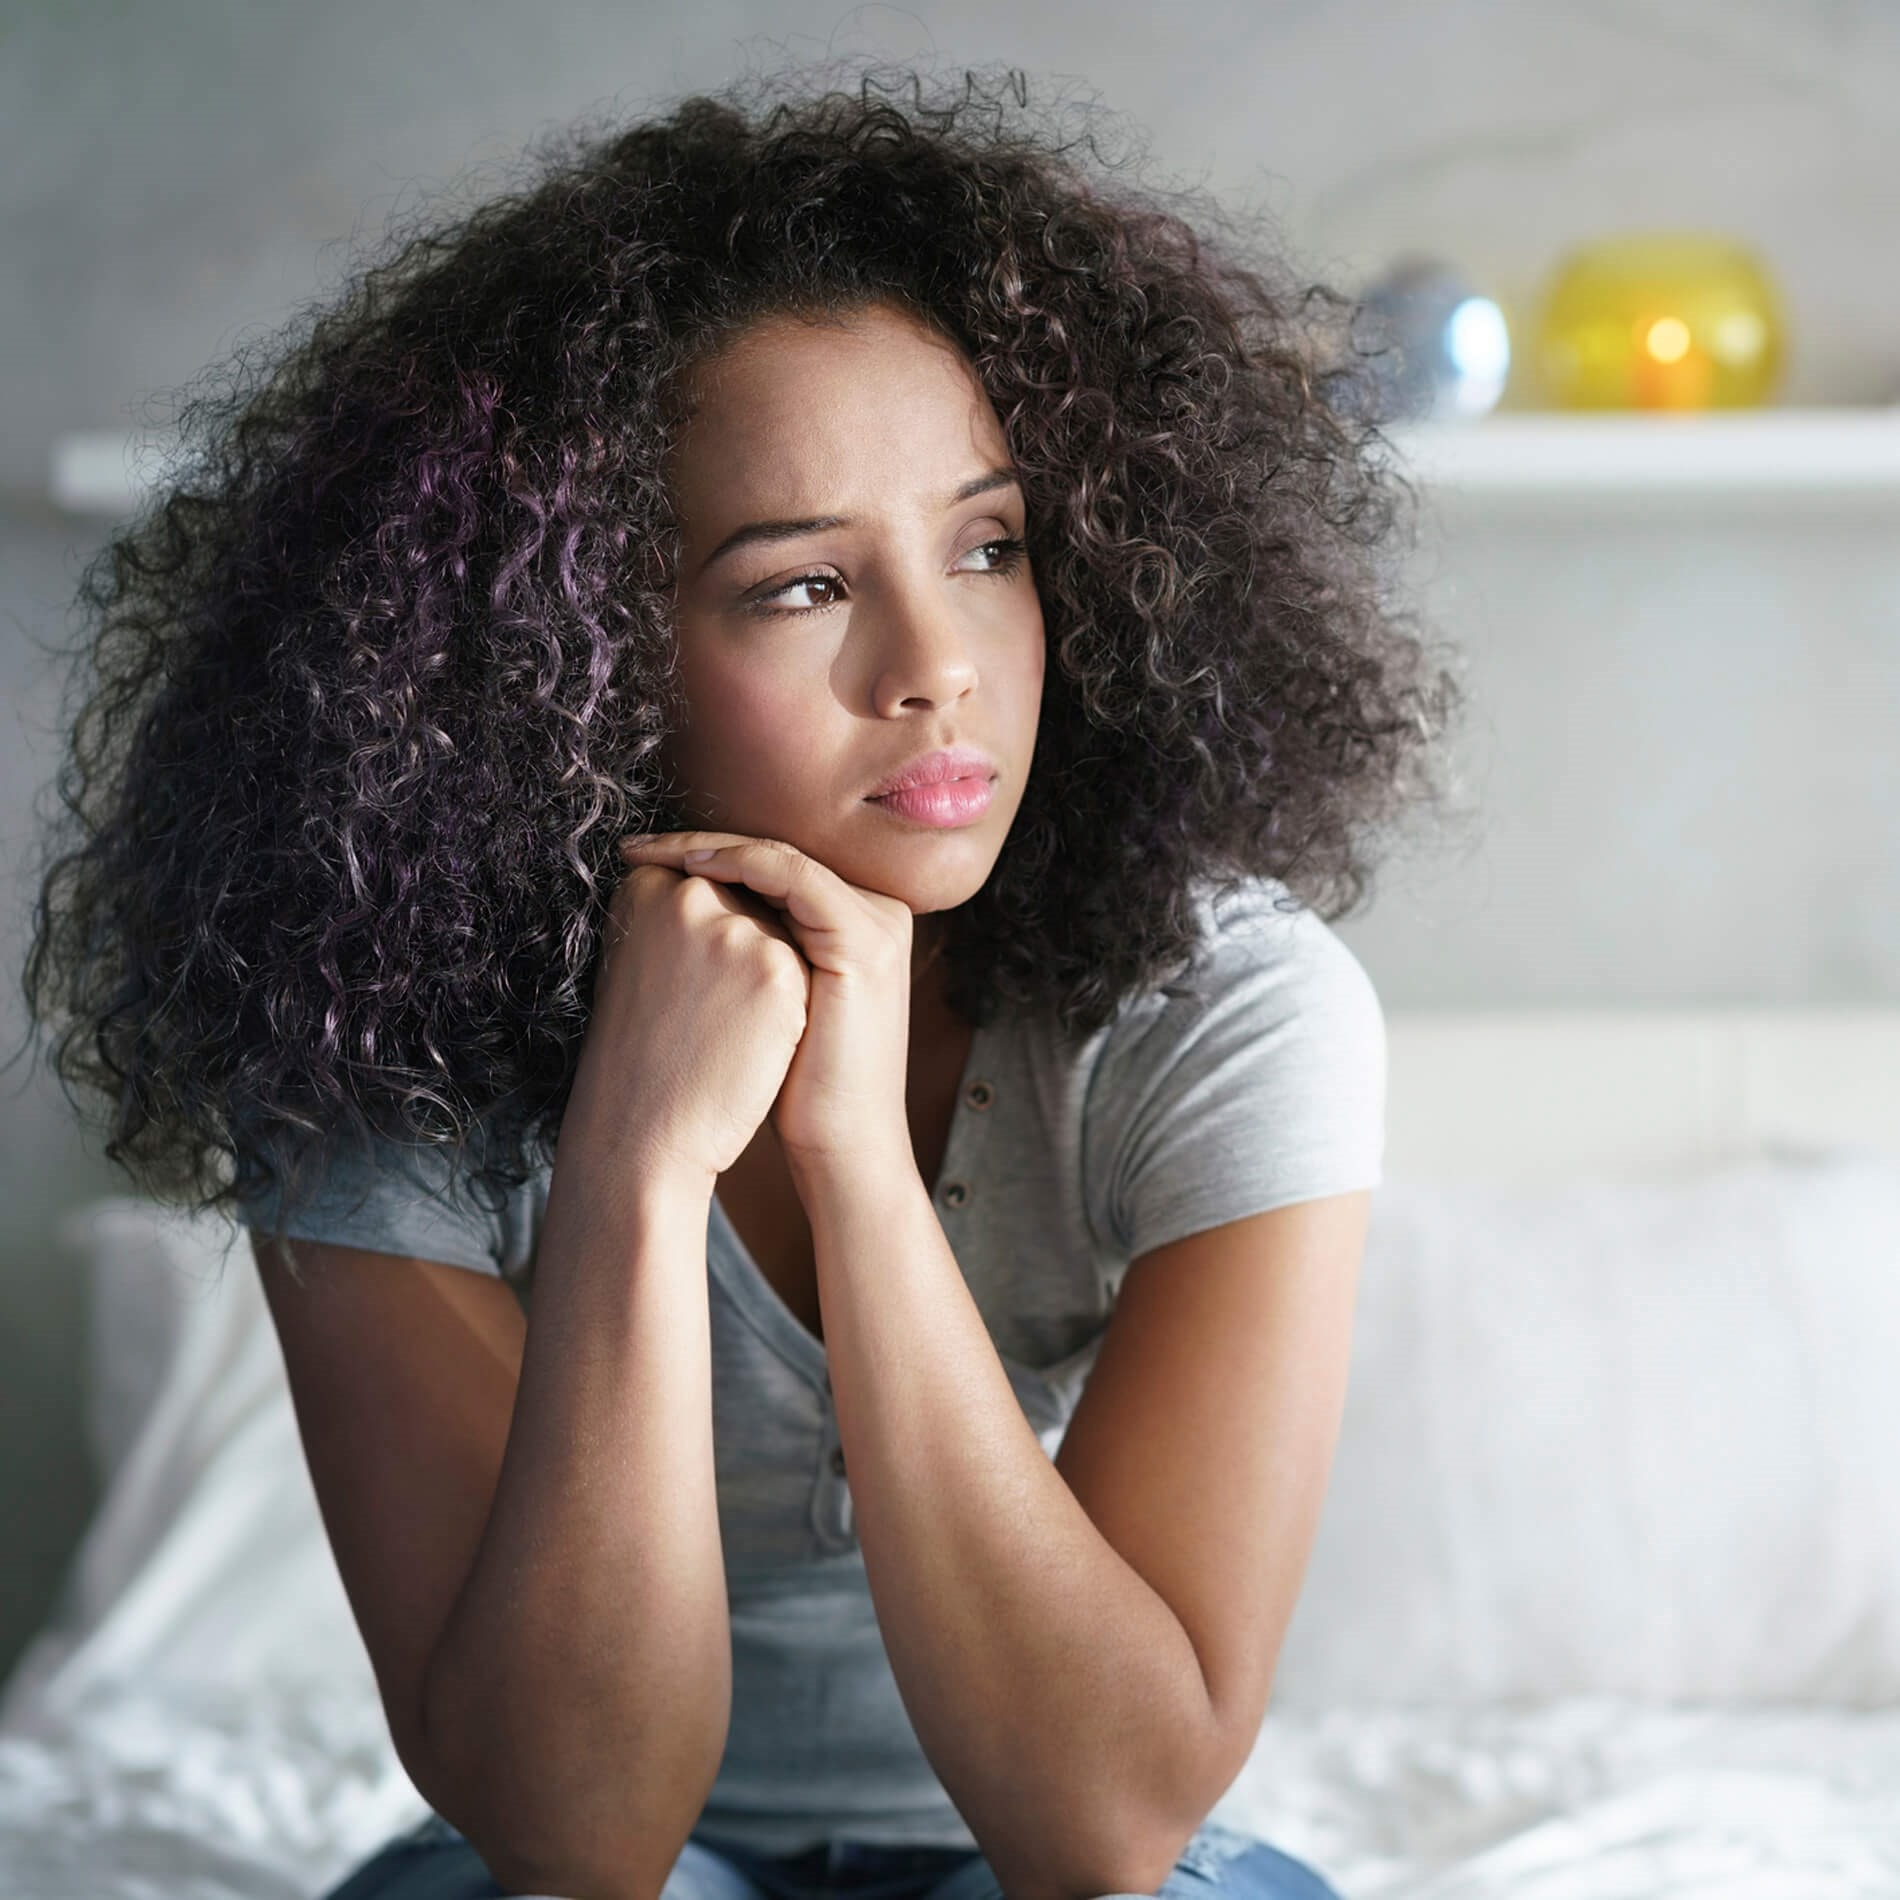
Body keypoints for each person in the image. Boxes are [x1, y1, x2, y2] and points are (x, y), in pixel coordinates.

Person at [18, 59, 1467, 1900]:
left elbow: (1105, 1825)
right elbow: (575, 1834)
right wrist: (630, 1165)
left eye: (989, 544)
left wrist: (857, 1162)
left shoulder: (1224, 1008)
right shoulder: (363, 1034)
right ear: (570, 658)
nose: (938, 664)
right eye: (798, 586)